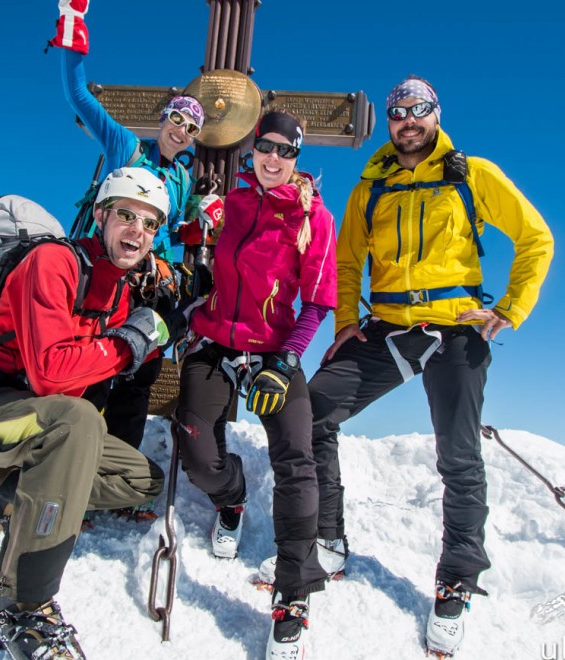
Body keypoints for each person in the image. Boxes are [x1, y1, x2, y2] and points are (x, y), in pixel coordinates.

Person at [299, 75, 554, 657]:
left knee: (459, 456)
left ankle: (457, 579)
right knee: (312, 410)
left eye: (418, 111)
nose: (407, 121)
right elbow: (346, 261)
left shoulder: (472, 174)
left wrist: (511, 308)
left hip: (458, 328)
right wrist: (343, 326)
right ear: (388, 121)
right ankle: (328, 538)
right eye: (397, 113)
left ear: (436, 114)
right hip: (388, 328)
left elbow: (536, 238)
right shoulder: (372, 185)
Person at [0, 168, 173, 660]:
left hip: (31, 422)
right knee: (77, 422)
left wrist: (162, 328)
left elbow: (108, 362)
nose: (137, 232)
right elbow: (50, 375)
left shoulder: (117, 291)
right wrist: (129, 343)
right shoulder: (52, 262)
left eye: (149, 225)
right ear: (101, 215)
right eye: (126, 215)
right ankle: (18, 605)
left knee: (142, 479)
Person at [172, 111, 337, 659]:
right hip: (217, 341)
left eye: (284, 151)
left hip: (274, 349)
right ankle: (232, 496)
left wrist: (285, 360)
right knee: (197, 455)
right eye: (264, 146)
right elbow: (193, 249)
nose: (272, 158)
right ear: (253, 150)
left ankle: (293, 595)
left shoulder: (315, 218)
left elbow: (316, 304)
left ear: (295, 159)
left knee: (298, 456)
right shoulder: (232, 206)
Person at [53, 0, 220, 458]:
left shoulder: (182, 178)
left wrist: (202, 217)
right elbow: (79, 97)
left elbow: (175, 230)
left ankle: (116, 478)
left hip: (151, 286)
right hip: (107, 278)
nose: (182, 131)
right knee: (94, 371)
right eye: (177, 120)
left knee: (139, 379)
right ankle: (74, 467)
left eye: (192, 127)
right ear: (163, 119)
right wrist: (73, 30)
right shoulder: (126, 147)